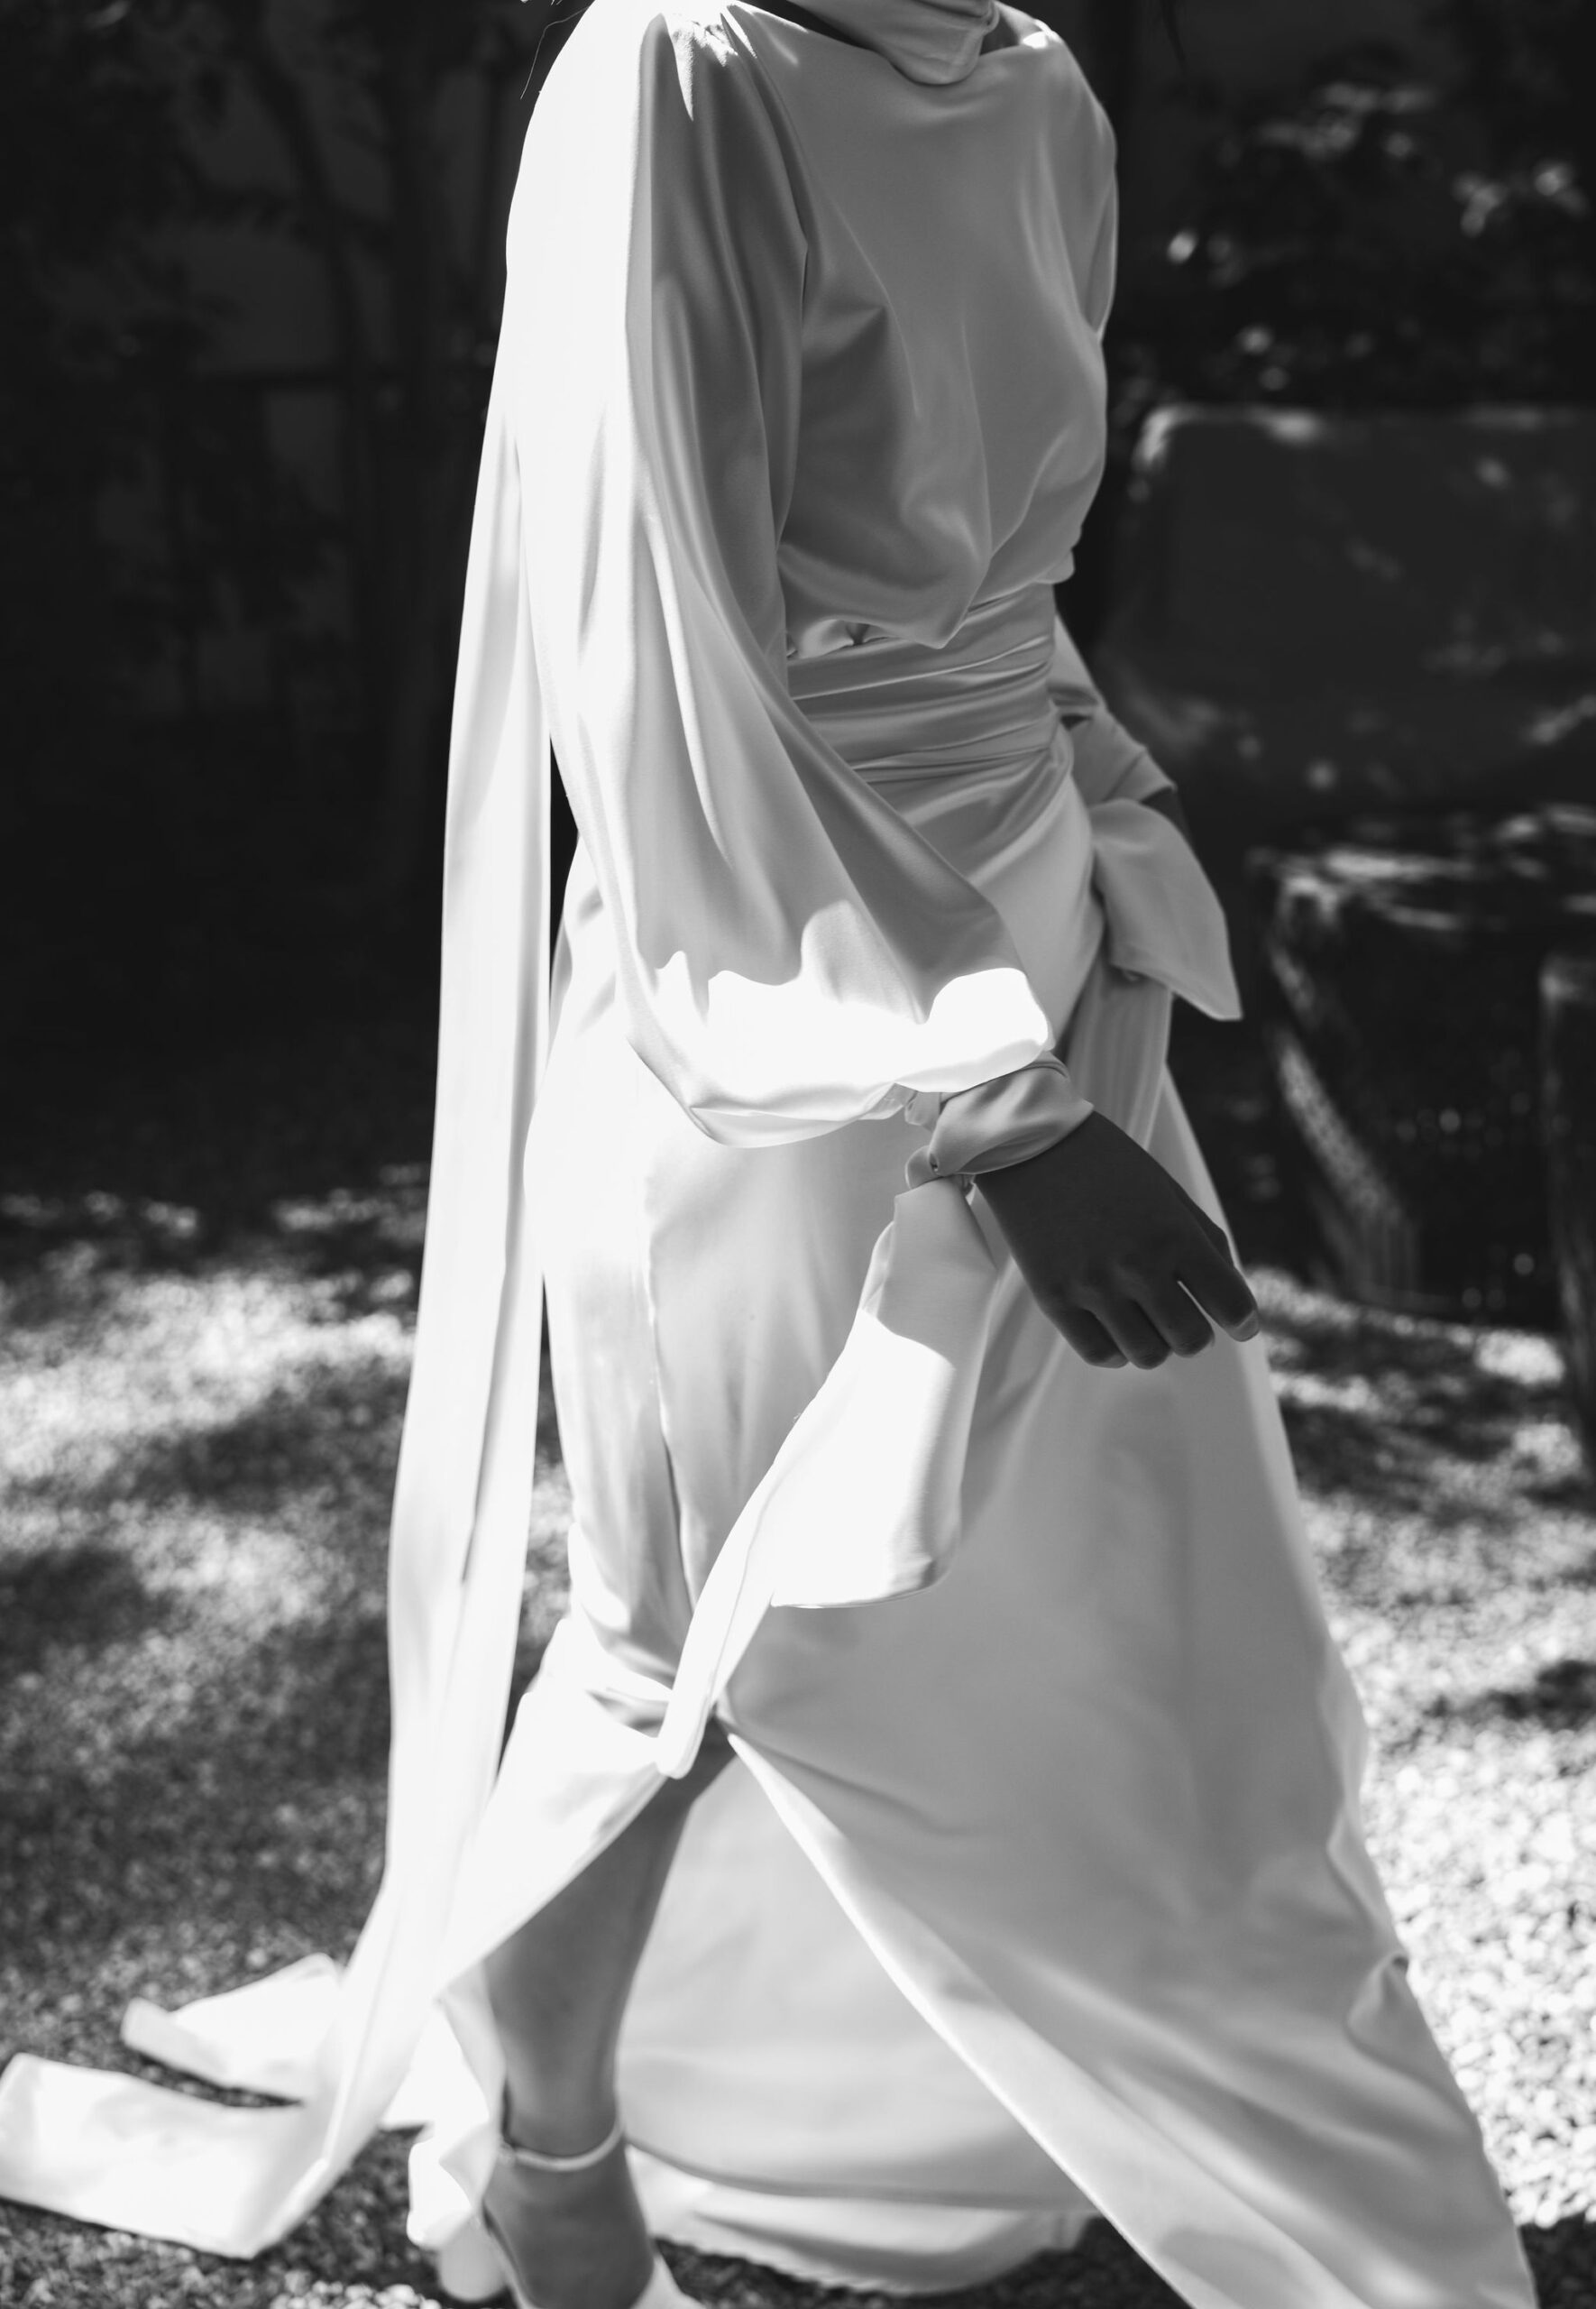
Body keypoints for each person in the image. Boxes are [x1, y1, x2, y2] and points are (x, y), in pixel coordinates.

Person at [0, 1, 1540, 2304]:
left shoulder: (1033, 79)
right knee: (700, 1627)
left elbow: (1014, 600)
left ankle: (1105, 2101)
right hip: (785, 997)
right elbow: (663, 670)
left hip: (1033, 936)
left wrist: (1098, 852)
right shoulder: (680, 73)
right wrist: (991, 1101)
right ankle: (557, 2145)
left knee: (1135, 1598)